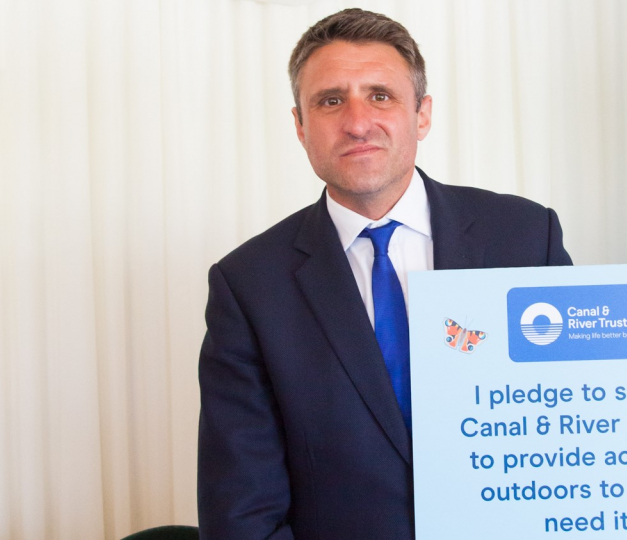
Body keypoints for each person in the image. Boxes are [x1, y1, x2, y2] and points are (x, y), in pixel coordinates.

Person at [197, 8, 572, 540]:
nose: (356, 122)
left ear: (421, 114)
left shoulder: (526, 238)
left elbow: (577, 436)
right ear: (300, 127)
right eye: (331, 101)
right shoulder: (250, 286)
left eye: (380, 95)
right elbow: (241, 511)